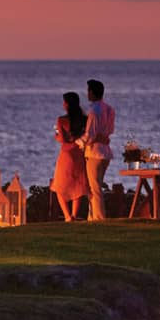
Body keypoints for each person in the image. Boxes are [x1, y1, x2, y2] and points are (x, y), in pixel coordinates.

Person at [76, 79, 116, 221]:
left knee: (94, 187)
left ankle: (98, 218)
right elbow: (110, 130)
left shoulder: (94, 111)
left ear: (92, 92)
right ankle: (92, 217)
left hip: (95, 152)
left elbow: (90, 135)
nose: (87, 93)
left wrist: (77, 142)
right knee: (96, 185)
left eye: (88, 91)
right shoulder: (109, 110)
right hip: (105, 153)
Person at [50, 92, 89, 221]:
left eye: (64, 102)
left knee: (59, 185)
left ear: (68, 104)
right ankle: (74, 215)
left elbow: (62, 139)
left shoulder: (61, 120)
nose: (63, 104)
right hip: (79, 152)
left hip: (66, 153)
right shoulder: (85, 119)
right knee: (77, 184)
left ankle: (67, 216)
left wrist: (56, 136)